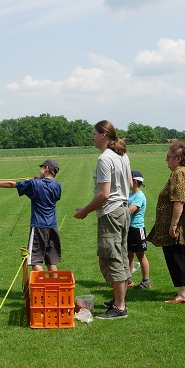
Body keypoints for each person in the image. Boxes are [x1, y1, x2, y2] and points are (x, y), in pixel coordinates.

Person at [74, 120, 132, 320]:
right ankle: (118, 300)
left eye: (95, 133)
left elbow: (104, 194)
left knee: (111, 258)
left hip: (111, 213)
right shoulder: (122, 155)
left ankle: (119, 307)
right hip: (123, 211)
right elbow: (131, 184)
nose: (93, 137)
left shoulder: (105, 159)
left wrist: (85, 211)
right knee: (121, 256)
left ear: (104, 135)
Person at [0, 160, 62, 272]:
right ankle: (54, 287)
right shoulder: (58, 185)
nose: (39, 171)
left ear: (46, 168)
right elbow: (48, 188)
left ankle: (39, 289)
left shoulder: (34, 184)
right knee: (51, 260)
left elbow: (12, 184)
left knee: (35, 260)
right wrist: (38, 180)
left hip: (39, 226)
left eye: (41, 168)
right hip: (52, 226)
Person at [147, 141, 185, 304]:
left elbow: (179, 201)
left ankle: (183, 294)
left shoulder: (179, 173)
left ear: (178, 158)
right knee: (182, 253)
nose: (166, 160)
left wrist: (173, 224)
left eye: (168, 157)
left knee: (176, 255)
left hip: (180, 222)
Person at [127, 170, 150, 290]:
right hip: (129, 229)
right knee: (129, 254)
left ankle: (146, 280)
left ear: (134, 182)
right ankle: (128, 279)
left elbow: (130, 210)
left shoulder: (139, 196)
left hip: (137, 229)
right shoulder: (129, 194)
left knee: (140, 255)